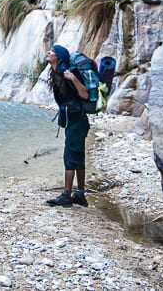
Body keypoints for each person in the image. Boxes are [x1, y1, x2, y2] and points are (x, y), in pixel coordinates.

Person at [46, 44, 89, 208]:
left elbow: (84, 94)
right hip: (73, 120)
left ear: (60, 56)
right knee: (77, 156)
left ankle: (66, 195)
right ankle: (79, 195)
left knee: (70, 157)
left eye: (53, 51)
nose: (49, 52)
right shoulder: (56, 74)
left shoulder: (67, 73)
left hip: (77, 121)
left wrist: (73, 78)